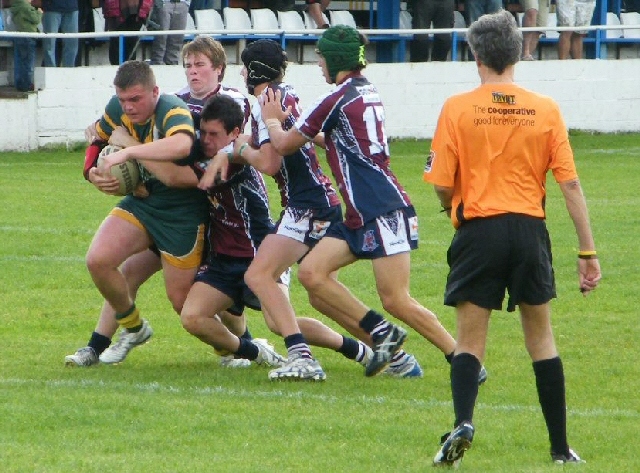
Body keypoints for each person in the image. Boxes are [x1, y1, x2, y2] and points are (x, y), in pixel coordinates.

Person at [423, 10, 601, 466]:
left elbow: (442, 182)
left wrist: (452, 210)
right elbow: (571, 185)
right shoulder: (545, 108)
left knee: (469, 340)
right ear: (520, 51)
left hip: (480, 228)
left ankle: (463, 421)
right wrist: (587, 250)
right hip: (528, 230)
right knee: (541, 338)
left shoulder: (457, 108)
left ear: (475, 54)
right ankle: (561, 448)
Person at [259, 26, 472, 381]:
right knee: (312, 273)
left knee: (396, 299)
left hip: (382, 208)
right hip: (362, 212)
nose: (319, 65)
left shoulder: (336, 98)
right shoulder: (362, 91)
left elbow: (282, 146)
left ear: (337, 59)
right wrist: (298, 127)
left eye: (322, 57)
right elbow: (333, 139)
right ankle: (381, 333)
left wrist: (270, 120)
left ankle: (462, 359)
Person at [189, 39, 388, 381]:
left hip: (306, 201)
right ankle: (384, 348)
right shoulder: (287, 93)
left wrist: (240, 150)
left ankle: (305, 356)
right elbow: (310, 137)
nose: (242, 73)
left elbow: (268, 161)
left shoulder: (269, 100)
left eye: (246, 67)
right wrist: (229, 152)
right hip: (312, 200)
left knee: (260, 277)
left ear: (256, 71)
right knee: (313, 298)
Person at [65, 39, 252, 368]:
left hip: (214, 209)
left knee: (195, 298)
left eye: (200, 65)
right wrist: (94, 173)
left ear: (219, 69)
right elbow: (98, 134)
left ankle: (242, 345)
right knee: (111, 265)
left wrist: (128, 150)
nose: (193, 72)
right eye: (189, 65)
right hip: (154, 204)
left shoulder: (227, 102)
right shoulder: (173, 101)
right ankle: (105, 341)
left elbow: (186, 170)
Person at [103, 0, 153, 65]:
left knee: (131, 44)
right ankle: (117, 69)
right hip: (116, 13)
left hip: (136, 12)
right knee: (116, 45)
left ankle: (129, 69)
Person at [9, 0, 42, 92]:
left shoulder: (16, 6)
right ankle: (26, 84)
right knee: (28, 62)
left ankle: (19, 83)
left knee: (20, 61)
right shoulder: (25, 7)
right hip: (28, 36)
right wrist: (39, 12)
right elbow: (35, 19)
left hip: (20, 36)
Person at [149, 0, 188, 66]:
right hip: (164, 2)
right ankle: (157, 66)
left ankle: (172, 66)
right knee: (161, 37)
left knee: (177, 38)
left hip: (183, 3)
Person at [41, 0, 79, 67]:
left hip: (72, 7)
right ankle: (51, 71)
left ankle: (68, 72)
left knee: (72, 43)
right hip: (51, 7)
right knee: (49, 43)